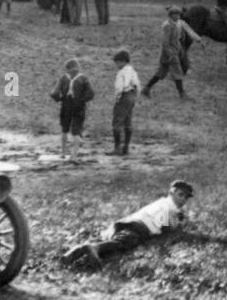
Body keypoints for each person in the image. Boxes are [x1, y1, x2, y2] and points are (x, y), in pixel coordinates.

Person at [61, 180, 194, 269]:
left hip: (126, 224)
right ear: (171, 193)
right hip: (137, 227)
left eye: (185, 197)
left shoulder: (167, 206)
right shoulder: (165, 206)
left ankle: (77, 253)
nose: (182, 199)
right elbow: (166, 231)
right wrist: (177, 227)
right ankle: (93, 248)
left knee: (115, 246)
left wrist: (177, 219)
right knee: (124, 243)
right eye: (180, 195)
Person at [142, 6, 202, 99]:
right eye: (175, 14)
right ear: (170, 15)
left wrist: (199, 40)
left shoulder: (179, 23)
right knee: (177, 71)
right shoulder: (168, 25)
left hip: (175, 50)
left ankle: (146, 88)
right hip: (169, 52)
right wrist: (170, 53)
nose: (177, 16)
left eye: (178, 14)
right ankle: (182, 93)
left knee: (161, 72)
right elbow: (165, 42)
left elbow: (189, 32)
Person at [50, 57, 95, 160]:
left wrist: (60, 99)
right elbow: (91, 94)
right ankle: (74, 156)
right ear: (77, 67)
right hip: (78, 106)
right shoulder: (83, 78)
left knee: (64, 130)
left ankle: (63, 153)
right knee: (76, 131)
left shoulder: (63, 78)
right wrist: (82, 100)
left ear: (67, 69)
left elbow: (54, 93)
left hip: (66, 105)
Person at [109, 50, 140, 156]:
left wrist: (117, 98)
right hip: (132, 96)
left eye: (117, 63)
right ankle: (126, 147)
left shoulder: (122, 72)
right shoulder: (133, 71)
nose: (117, 65)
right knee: (128, 121)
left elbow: (122, 86)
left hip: (124, 96)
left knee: (117, 121)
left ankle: (117, 148)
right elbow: (137, 85)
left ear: (122, 61)